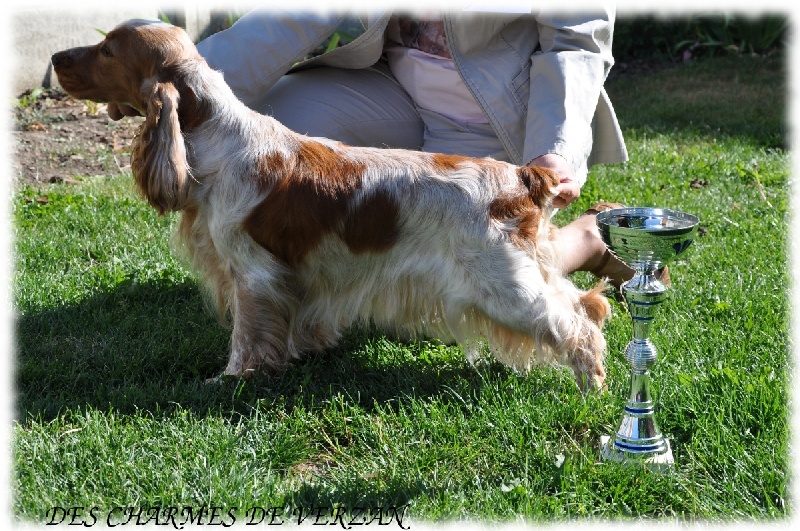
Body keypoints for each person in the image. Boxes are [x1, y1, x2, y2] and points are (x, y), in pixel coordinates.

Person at [109, 5, 639, 286]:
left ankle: (588, 238)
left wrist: (556, 149)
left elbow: (576, 35)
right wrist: (172, 81)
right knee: (273, 128)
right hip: (395, 88)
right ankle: (298, 276)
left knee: (454, 293)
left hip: (494, 113)